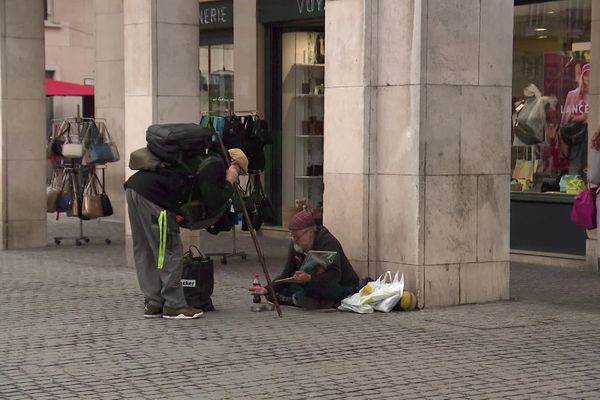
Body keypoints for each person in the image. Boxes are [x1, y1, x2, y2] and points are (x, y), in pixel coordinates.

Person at [125, 148, 248, 319]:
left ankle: (153, 303)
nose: (239, 177)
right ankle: (174, 305)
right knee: (169, 250)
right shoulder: (216, 166)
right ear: (234, 164)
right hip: (155, 198)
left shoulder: (202, 157)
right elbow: (213, 201)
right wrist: (229, 182)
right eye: (240, 172)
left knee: (144, 249)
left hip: (135, 188)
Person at [250, 210, 361, 309]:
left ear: (310, 233)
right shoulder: (296, 245)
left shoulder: (327, 242)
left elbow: (335, 275)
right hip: (309, 284)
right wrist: (267, 289)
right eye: (292, 236)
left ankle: (312, 300)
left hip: (339, 285)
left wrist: (310, 277)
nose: (294, 240)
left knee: (306, 293)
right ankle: (305, 299)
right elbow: (287, 273)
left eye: (297, 236)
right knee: (272, 294)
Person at [560, 63, 590, 175]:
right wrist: (579, 118)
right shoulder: (573, 95)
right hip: (576, 137)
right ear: (582, 76)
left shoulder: (596, 95)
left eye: (592, 75)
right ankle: (573, 191)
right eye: (586, 75)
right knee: (575, 167)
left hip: (593, 137)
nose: (589, 78)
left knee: (590, 169)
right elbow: (565, 118)